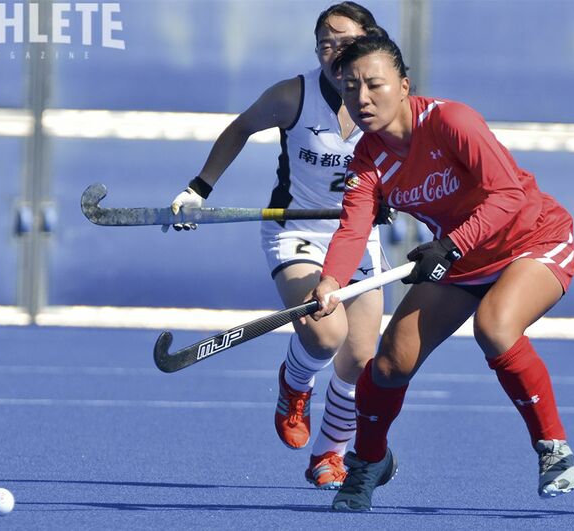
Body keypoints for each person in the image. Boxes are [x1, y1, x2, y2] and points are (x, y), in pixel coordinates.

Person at [309, 35, 574, 511]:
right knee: (389, 364)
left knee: (494, 327)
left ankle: (553, 447)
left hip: (532, 239)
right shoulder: (367, 160)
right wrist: (331, 282)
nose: (362, 98)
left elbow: (508, 195)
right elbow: (353, 230)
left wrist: (450, 246)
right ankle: (369, 460)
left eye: (374, 84)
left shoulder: (452, 121)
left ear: (404, 85)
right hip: (462, 259)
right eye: (350, 88)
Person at [164, 3, 391, 490]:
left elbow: (414, 155)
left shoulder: (386, 98)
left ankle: (329, 455)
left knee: (359, 359)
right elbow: (240, 128)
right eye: (325, 44)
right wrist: (198, 189)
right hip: (297, 232)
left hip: (359, 234)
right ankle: (295, 382)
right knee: (326, 335)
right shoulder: (294, 96)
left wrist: (397, 196)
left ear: (369, 41)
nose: (334, 52)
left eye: (345, 42)